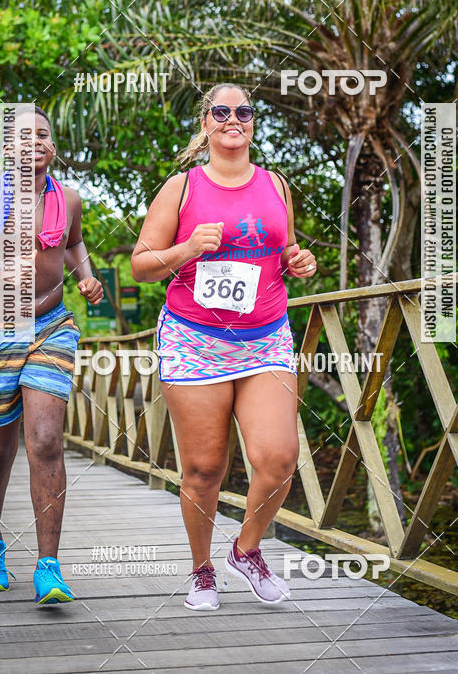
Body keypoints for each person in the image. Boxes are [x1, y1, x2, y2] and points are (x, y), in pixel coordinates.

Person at [131, 83, 316, 611]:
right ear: (206, 122)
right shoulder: (181, 188)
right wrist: (188, 248)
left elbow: (281, 254)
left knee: (278, 458)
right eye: (222, 111)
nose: (234, 119)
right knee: (204, 470)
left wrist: (298, 262)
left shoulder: (276, 184)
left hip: (265, 339)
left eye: (244, 111)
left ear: (253, 122)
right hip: (196, 340)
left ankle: (246, 549)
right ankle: (202, 571)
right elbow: (141, 265)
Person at [0, 106, 103, 604]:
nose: (36, 143)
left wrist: (87, 275)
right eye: (24, 137)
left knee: (47, 440)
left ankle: (49, 567)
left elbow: (74, 245)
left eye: (44, 135)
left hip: (51, 327)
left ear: (54, 145)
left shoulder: (67, 200)